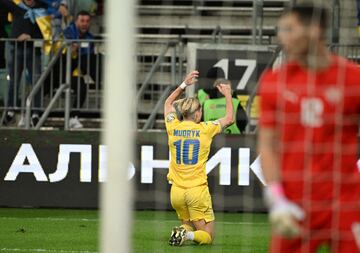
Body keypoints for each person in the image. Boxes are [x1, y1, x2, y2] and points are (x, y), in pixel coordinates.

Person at [258, 3, 360, 253]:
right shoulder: (274, 81)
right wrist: (276, 197)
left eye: (290, 30)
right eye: (281, 30)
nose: (283, 38)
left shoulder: (352, 79)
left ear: (314, 30)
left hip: (346, 200)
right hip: (296, 200)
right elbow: (267, 144)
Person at [164, 70, 234, 246]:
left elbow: (168, 103)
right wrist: (227, 96)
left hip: (176, 192)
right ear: (196, 114)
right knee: (208, 236)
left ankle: (182, 233)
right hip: (196, 190)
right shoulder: (205, 129)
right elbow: (230, 119)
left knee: (187, 224)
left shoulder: (172, 126)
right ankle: (187, 237)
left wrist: (183, 84)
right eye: (200, 110)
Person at [0, 0, 49, 127]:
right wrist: (18, 36)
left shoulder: (42, 9)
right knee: (13, 81)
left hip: (34, 52)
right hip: (17, 49)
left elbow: (45, 32)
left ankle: (35, 113)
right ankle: (10, 109)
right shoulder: (17, 7)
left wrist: (30, 36)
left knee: (36, 82)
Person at [63, 10, 94, 129]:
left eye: (87, 21)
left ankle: (73, 117)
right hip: (59, 70)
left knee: (82, 86)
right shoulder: (68, 32)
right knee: (43, 86)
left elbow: (87, 58)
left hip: (75, 73)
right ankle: (28, 114)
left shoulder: (90, 38)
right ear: (76, 21)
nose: (84, 24)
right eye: (82, 21)